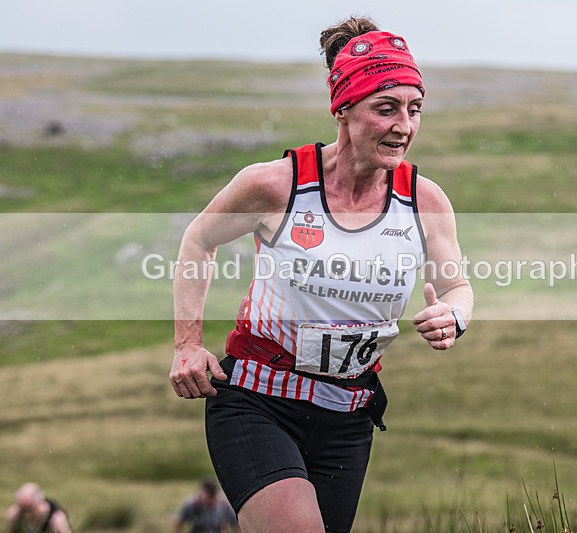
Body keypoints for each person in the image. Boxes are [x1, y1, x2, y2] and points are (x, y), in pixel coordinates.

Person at [169, 16, 473, 533]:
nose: (404, 125)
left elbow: (456, 287)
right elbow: (199, 240)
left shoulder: (424, 200)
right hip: (258, 402)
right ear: (343, 108)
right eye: (386, 108)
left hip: (347, 417)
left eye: (415, 108)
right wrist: (187, 344)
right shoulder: (275, 186)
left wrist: (454, 317)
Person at [174, 478, 238, 533]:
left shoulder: (225, 505)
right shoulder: (193, 503)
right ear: (201, 493)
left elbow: (238, 524)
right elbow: (178, 521)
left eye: (212, 497)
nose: (210, 501)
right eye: (208, 497)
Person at [4, 482, 71, 533]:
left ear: (40, 504)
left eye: (29, 509)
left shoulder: (56, 519)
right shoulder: (15, 515)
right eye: (22, 509)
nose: (26, 514)